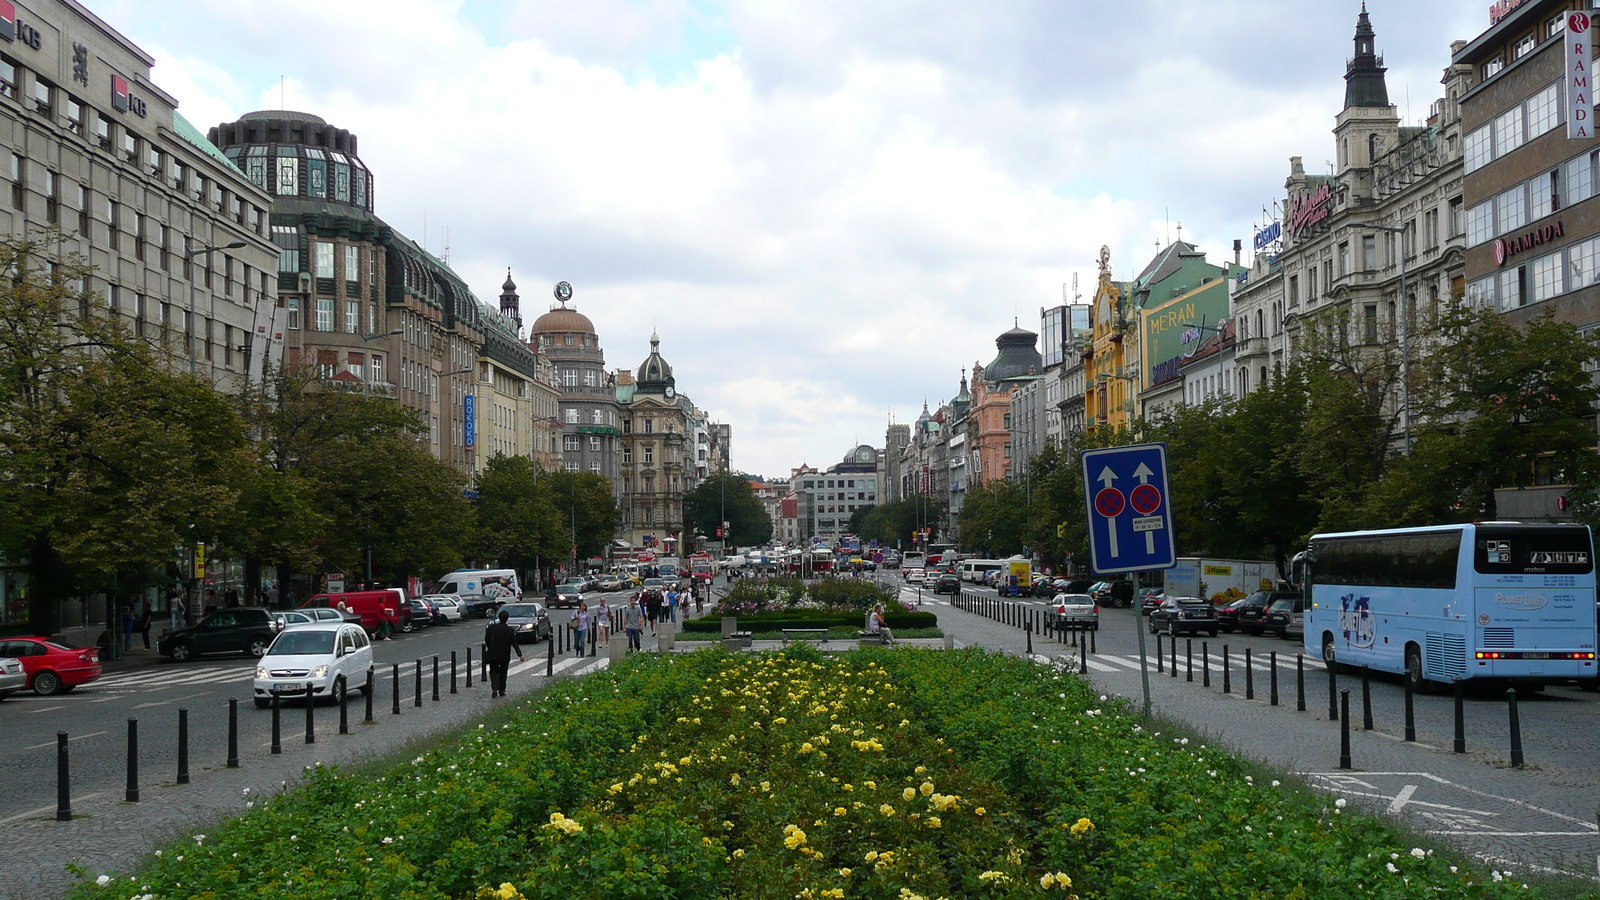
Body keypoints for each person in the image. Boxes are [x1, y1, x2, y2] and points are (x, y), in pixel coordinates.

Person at [483, 609, 524, 697]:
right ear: (507, 619)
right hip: (504, 655)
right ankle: (502, 690)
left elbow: (486, 639)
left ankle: (494, 688)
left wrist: (490, 647)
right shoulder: (510, 630)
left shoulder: (491, 628)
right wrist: (520, 654)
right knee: (503, 672)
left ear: (499, 618)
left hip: (493, 654)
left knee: (493, 671)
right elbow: (514, 643)